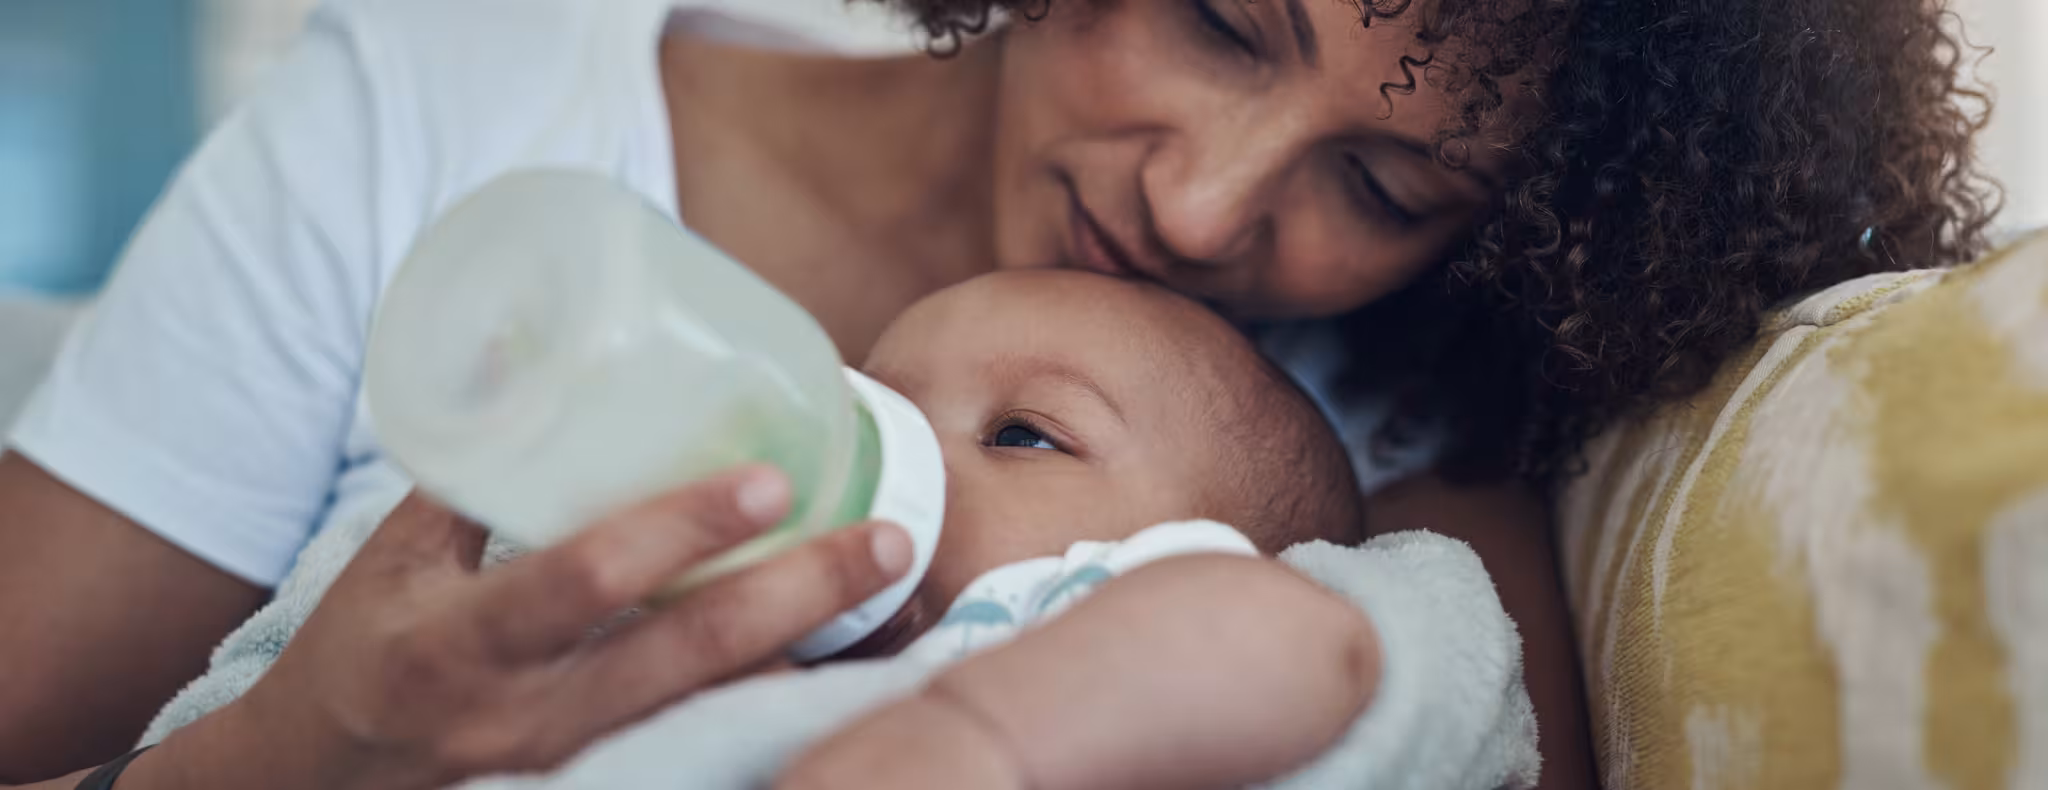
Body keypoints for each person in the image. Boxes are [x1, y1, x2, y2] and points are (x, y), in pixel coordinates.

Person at [0, 0, 1994, 786]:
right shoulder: (445, 128)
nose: (1206, 203)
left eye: (1383, 186)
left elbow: (1409, 691)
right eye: (1222, 20)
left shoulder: (1398, 450)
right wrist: (305, 735)